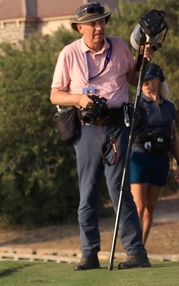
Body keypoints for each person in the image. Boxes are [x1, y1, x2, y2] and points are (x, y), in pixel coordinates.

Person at [50, 2, 153, 270]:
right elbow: (55, 94)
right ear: (79, 27)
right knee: (88, 192)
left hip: (118, 125)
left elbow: (133, 78)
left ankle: (136, 252)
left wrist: (143, 58)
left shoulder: (118, 46)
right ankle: (89, 254)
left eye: (102, 22)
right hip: (85, 129)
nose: (98, 27)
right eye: (93, 23)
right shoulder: (69, 53)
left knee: (120, 190)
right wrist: (79, 99)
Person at [129, 63, 179, 245]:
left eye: (149, 79)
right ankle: (133, 248)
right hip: (140, 157)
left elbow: (173, 136)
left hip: (161, 159)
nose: (146, 83)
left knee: (150, 208)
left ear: (159, 80)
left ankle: (141, 247)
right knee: (139, 207)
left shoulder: (169, 107)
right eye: (143, 80)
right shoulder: (137, 105)